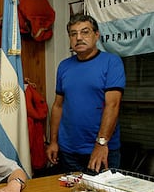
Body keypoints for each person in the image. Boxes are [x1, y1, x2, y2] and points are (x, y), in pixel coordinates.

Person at [46, 14, 125, 174]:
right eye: (73, 34)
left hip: (101, 150)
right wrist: (53, 142)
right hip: (68, 151)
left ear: (96, 35)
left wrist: (101, 144)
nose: (78, 38)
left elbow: (113, 105)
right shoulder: (64, 66)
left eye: (85, 32)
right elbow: (58, 106)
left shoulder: (111, 62)